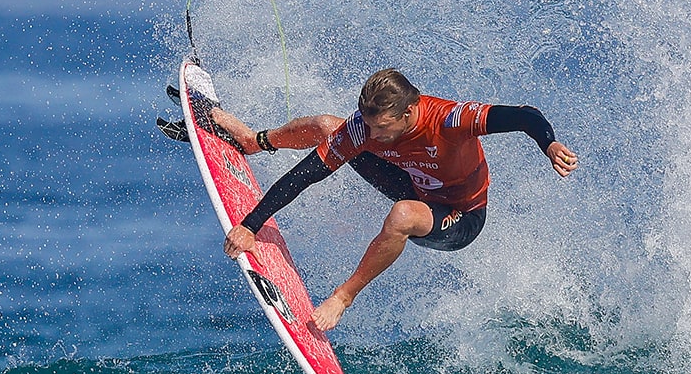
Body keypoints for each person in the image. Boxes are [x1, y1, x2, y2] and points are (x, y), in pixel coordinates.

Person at [212, 68, 578, 331]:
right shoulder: (367, 128)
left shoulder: (450, 120)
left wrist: (549, 144)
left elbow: (526, 116)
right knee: (328, 127)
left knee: (403, 215)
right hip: (414, 185)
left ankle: (343, 298)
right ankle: (253, 141)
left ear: (408, 112)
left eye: (382, 128)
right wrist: (250, 225)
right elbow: (307, 174)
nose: (374, 135)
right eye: (369, 126)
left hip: (459, 214)